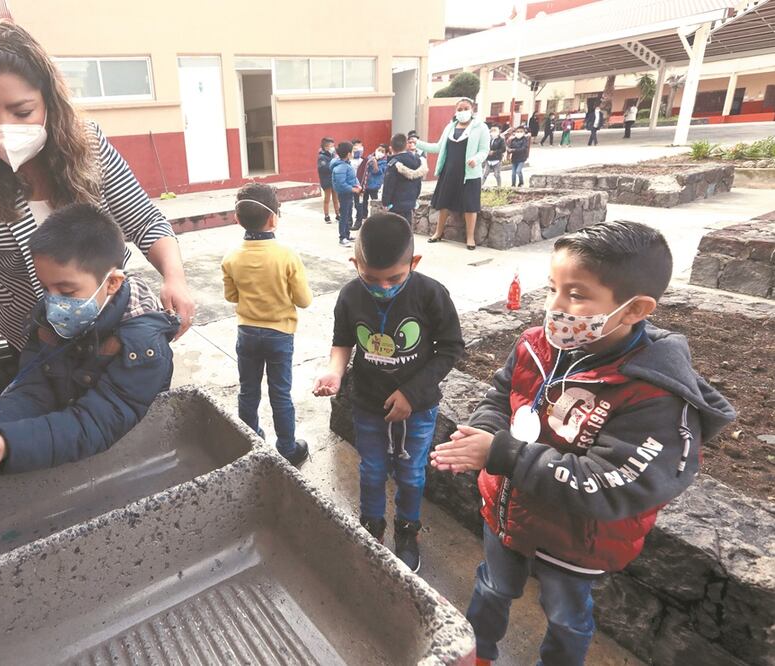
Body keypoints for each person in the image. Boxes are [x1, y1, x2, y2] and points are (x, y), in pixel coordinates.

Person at [429, 221, 734, 666]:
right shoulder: (535, 345)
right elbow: (501, 396)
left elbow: (609, 482)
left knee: (567, 617)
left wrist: (501, 453)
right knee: (493, 587)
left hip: (578, 541)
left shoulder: (654, 396)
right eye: (553, 288)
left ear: (635, 309)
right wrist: (484, 433)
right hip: (509, 512)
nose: (554, 306)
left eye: (576, 295)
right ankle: (478, 654)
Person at [0, 21, 194, 430]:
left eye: (21, 111)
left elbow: (143, 217)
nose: (4, 126)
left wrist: (174, 276)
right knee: (62, 421)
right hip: (39, 343)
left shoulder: (88, 145)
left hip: (114, 326)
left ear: (48, 101)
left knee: (126, 417)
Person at [0, 204, 181, 477]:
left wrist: (10, 443)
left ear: (112, 283)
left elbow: (96, 422)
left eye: (67, 290)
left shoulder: (143, 348)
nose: (53, 302)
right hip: (64, 447)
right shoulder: (51, 320)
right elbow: (34, 390)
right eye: (46, 288)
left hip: (131, 462)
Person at [313, 213, 464, 572]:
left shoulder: (431, 294)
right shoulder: (350, 296)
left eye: (394, 278)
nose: (383, 287)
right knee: (372, 471)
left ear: (414, 262)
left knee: (411, 474)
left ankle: (408, 530)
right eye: (371, 278)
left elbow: (450, 348)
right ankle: (372, 525)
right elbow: (342, 342)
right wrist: (334, 372)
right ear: (355, 264)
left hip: (418, 409)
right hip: (368, 404)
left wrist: (412, 393)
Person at [222, 184, 312, 466]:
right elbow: (304, 299)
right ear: (273, 219)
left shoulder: (231, 258)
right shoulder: (286, 256)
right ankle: (287, 446)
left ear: (237, 220)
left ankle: (249, 440)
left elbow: (231, 296)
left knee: (248, 390)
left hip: (247, 333)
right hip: (280, 335)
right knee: (280, 393)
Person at [420, 97, 490, 250]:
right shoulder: (450, 127)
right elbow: (438, 147)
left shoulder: (480, 127)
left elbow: (484, 150)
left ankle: (470, 238)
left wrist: (476, 160)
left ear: (472, 110)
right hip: (449, 171)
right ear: (455, 111)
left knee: (470, 206)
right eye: (459, 109)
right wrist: (417, 143)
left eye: (466, 108)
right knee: (444, 203)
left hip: (469, 173)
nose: (462, 112)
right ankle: (438, 233)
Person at [381, 133, 425, 226]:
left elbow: (388, 186)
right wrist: (414, 198)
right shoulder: (416, 161)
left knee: (396, 231)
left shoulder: (393, 164)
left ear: (391, 148)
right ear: (406, 146)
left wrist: (385, 203)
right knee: (408, 229)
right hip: (410, 203)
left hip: (395, 206)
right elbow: (418, 183)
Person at [330, 141, 362, 247]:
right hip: (344, 194)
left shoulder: (347, 164)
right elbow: (341, 184)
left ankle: (347, 234)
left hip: (349, 193)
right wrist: (353, 190)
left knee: (348, 214)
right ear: (348, 154)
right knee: (344, 216)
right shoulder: (340, 167)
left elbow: (353, 177)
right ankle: (342, 237)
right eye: (352, 151)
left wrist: (357, 185)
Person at [354, 143, 386, 230]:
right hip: (365, 184)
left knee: (374, 201)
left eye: (382, 151)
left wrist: (375, 163)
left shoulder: (384, 162)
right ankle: (364, 215)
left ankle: (375, 216)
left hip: (374, 185)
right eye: (379, 150)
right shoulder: (369, 157)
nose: (380, 152)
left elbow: (377, 171)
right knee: (363, 201)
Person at [318, 137, 340, 223]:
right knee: (327, 199)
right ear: (326, 147)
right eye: (331, 146)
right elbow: (323, 169)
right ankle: (326, 216)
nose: (333, 148)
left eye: (333, 146)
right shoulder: (321, 157)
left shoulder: (334, 155)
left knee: (336, 198)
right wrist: (334, 164)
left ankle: (338, 214)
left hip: (334, 180)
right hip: (326, 181)